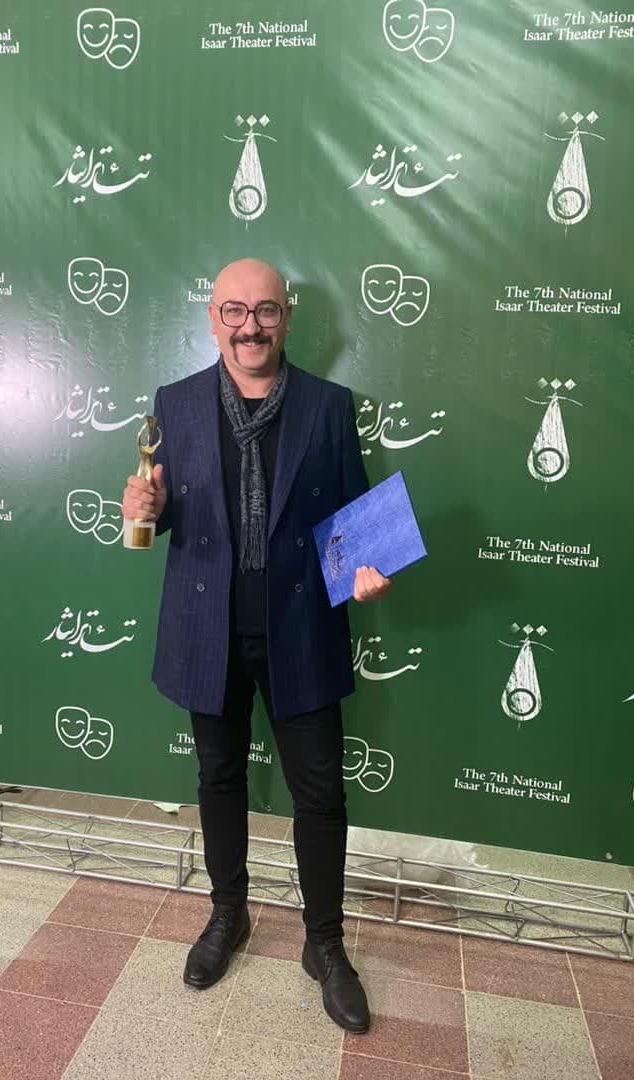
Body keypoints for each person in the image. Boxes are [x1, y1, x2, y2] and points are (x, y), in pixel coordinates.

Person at [122, 258, 392, 1033]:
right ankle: (228, 914)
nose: (251, 326)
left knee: (321, 793)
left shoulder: (329, 406)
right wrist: (143, 507)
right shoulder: (175, 403)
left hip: (302, 629)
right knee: (218, 778)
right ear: (213, 319)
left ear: (287, 317)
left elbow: (356, 520)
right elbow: (164, 517)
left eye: (266, 310)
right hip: (207, 629)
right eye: (235, 311)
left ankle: (325, 944)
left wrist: (369, 570)